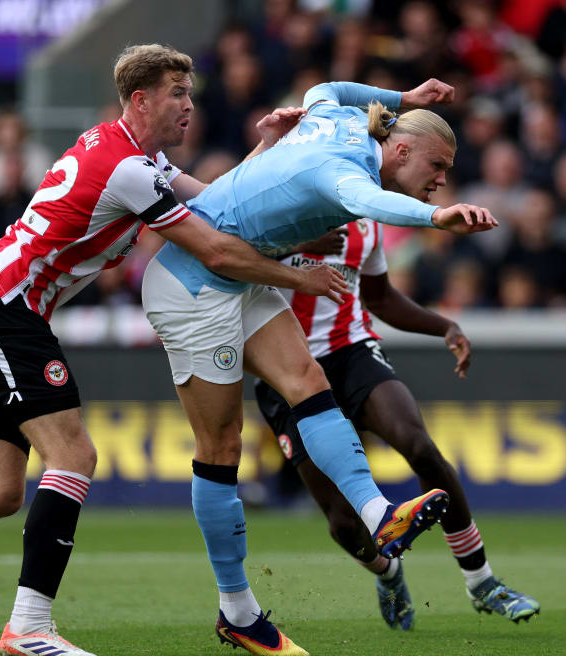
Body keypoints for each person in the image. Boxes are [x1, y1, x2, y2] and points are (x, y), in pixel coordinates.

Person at [0, 44, 344, 655]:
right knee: (73, 455)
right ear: (141, 99)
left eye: (191, 94)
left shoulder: (133, 155)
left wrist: (269, 150)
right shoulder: (129, 170)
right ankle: (29, 627)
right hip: (4, 310)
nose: (189, 106)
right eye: (178, 94)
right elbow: (215, 249)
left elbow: (219, 205)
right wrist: (301, 276)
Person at [141, 79, 497, 655]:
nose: (440, 180)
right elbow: (376, 203)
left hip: (240, 272)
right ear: (401, 151)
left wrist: (404, 96)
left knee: (310, 381)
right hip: (192, 285)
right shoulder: (347, 171)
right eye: (437, 166)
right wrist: (438, 217)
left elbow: (323, 87)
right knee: (221, 447)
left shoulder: (341, 120)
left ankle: (380, 514)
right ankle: (236, 609)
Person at [254, 221, 540, 631]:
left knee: (420, 447)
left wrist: (445, 326)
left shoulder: (366, 221)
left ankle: (482, 582)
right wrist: (295, 241)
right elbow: (229, 260)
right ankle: (388, 573)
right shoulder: (277, 207)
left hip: (350, 352)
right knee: (342, 520)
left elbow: (380, 298)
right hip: (282, 369)